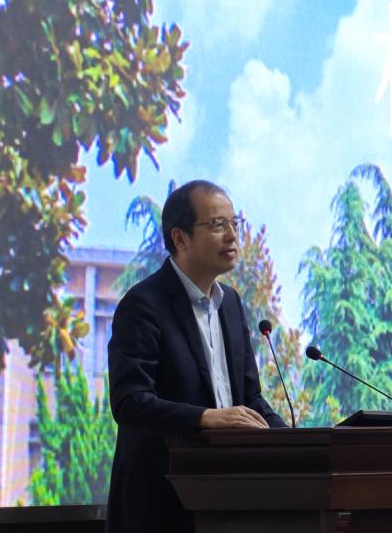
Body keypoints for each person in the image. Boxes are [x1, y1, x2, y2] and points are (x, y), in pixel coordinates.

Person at [106, 180, 287, 533]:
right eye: (218, 225)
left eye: (235, 223)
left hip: (224, 503)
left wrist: (297, 443)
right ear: (180, 238)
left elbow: (250, 400)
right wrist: (206, 418)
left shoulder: (230, 303)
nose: (232, 236)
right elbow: (129, 402)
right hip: (159, 505)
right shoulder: (144, 305)